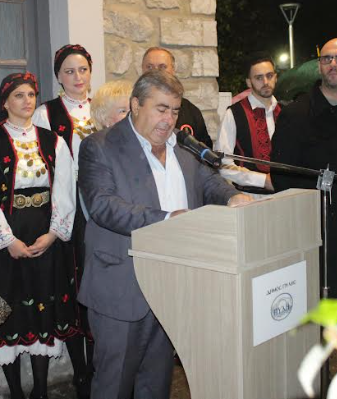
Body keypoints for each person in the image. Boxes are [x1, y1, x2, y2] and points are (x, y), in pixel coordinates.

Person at [78, 70, 252, 399]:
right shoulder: (100, 146)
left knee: (156, 384)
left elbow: (209, 182)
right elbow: (102, 205)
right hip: (122, 287)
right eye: (161, 109)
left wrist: (233, 197)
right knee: (114, 386)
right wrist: (169, 219)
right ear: (135, 105)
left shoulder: (182, 146)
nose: (169, 119)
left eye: (174, 111)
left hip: (172, 287)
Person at [0, 72, 89, 399]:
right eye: (19, 95)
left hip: (44, 233)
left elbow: (64, 191)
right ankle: (16, 392)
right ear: (5, 102)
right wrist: (7, 241)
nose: (27, 101)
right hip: (7, 235)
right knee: (10, 313)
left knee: (42, 310)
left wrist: (53, 234)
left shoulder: (53, 141)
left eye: (31, 95)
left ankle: (40, 390)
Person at [270, 37, 337, 299]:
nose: (333, 64)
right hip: (311, 233)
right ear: (319, 66)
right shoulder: (295, 115)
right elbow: (281, 176)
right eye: (326, 58)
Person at [33, 44, 95, 386]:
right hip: (67, 206)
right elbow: (43, 166)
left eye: (82, 69)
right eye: (69, 71)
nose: (77, 77)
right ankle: (80, 370)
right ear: (58, 76)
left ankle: (98, 363)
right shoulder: (46, 113)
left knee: (97, 279)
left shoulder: (100, 106)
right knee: (71, 282)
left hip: (99, 204)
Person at [216, 53, 279, 192]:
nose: (265, 82)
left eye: (269, 76)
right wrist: (263, 180)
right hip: (250, 197)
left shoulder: (285, 113)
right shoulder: (234, 113)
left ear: (276, 77)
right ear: (249, 82)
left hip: (287, 195)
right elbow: (222, 163)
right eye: (258, 78)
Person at [141, 47, 213, 148]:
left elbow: (204, 150)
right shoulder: (133, 108)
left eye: (162, 67)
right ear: (142, 70)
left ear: (173, 70)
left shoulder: (191, 111)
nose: (155, 72)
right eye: (149, 67)